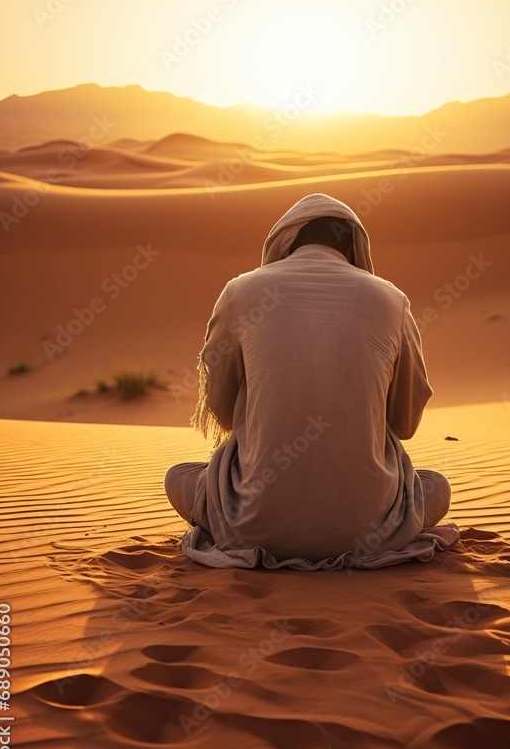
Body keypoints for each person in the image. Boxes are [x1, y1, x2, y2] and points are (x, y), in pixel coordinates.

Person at [164, 192, 458, 569]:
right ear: (355, 247)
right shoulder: (391, 299)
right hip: (371, 531)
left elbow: (220, 410)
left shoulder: (240, 291)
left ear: (283, 242)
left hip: (252, 526)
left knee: (178, 477)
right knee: (436, 487)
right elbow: (405, 424)